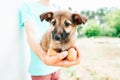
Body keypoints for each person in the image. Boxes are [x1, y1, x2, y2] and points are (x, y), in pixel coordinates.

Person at [19, 0, 80, 80]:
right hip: (40, 69)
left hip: (56, 67)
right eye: (54, 23)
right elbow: (31, 35)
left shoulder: (58, 8)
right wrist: (45, 58)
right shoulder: (28, 6)